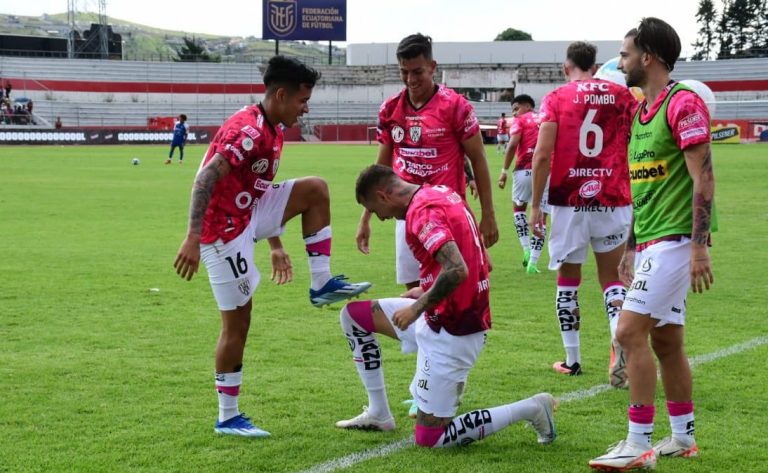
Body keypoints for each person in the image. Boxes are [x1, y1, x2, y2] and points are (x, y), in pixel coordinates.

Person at [173, 56, 372, 438]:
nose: (306, 107)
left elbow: (256, 185)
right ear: (281, 94)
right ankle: (227, 416)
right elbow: (203, 181)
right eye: (302, 100)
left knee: (315, 189)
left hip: (248, 214)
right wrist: (194, 238)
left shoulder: (273, 126)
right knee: (238, 324)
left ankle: (321, 283)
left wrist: (275, 240)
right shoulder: (247, 132)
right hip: (222, 231)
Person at [336, 164, 557, 448]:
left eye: (376, 210)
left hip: (454, 327)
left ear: (383, 196)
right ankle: (379, 414)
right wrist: (426, 287)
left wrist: (417, 307)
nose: (380, 218)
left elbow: (456, 270)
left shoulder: (421, 212)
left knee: (431, 438)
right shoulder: (442, 193)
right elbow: (482, 262)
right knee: (355, 317)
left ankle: (533, 408)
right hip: (438, 312)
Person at [589, 18, 716, 470]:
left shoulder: (683, 103)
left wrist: (700, 246)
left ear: (648, 57)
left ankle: (637, 443)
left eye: (625, 54)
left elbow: (703, 176)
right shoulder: (644, 113)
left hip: (677, 243)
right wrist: (630, 246)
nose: (620, 63)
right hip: (652, 242)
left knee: (627, 333)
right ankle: (682, 438)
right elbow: (646, 190)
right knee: (666, 341)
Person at [356, 33, 498, 290]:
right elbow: (381, 171)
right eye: (404, 72)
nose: (411, 79)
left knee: (460, 288)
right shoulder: (390, 110)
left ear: (433, 67)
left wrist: (488, 214)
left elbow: (478, 159)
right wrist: (366, 217)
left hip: (449, 214)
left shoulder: (456, 107)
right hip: (406, 214)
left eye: (417, 71)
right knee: (413, 291)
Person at [530, 41, 636, 386]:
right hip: (613, 196)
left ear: (567, 67)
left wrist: (535, 205)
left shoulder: (558, 98)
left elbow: (543, 155)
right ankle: (619, 339)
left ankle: (573, 360)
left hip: (569, 201)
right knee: (612, 280)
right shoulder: (621, 95)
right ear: (595, 65)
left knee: (568, 281)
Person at [498, 94, 550, 273]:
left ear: (528, 106)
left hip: (523, 171)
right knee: (542, 217)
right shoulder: (546, 118)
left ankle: (526, 249)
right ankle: (533, 263)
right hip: (546, 171)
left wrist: (504, 171)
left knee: (518, 210)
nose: (515, 113)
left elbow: (512, 145)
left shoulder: (520, 121)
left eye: (516, 108)